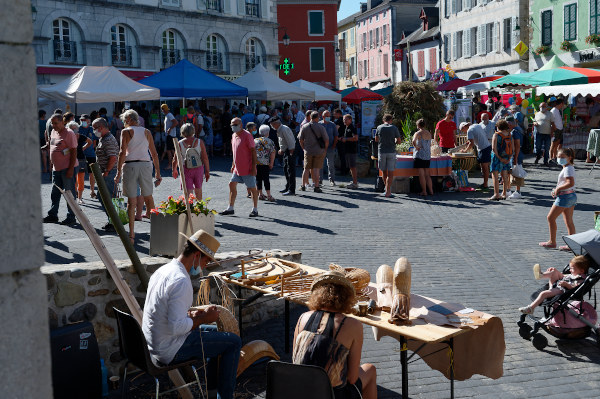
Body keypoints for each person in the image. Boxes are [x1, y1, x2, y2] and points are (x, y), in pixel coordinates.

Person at [142, 229, 242, 399]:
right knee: (233, 342)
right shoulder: (181, 280)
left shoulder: (163, 270)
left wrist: (193, 316)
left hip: (154, 342)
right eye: (206, 261)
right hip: (169, 348)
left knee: (217, 334)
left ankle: (211, 393)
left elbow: (167, 312)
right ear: (197, 255)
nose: (204, 266)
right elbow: (176, 327)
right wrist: (204, 318)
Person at [293, 271, 377, 399]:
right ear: (347, 298)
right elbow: (352, 378)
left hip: (301, 391)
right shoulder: (353, 325)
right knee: (370, 369)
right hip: (332, 395)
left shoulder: (302, 318)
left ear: (317, 295)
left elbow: (295, 362)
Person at [115, 110, 162, 241]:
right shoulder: (146, 131)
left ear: (129, 119)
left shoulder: (126, 132)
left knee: (131, 202)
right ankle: (157, 232)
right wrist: (158, 172)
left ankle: (131, 234)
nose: (124, 123)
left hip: (130, 165)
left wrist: (118, 171)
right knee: (149, 198)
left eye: (124, 120)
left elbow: (122, 153)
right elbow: (154, 153)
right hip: (146, 165)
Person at [519, 256, 589, 315]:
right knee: (554, 270)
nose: (570, 270)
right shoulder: (575, 274)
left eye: (572, 268)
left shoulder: (581, 279)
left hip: (561, 290)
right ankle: (541, 275)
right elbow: (566, 276)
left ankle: (531, 308)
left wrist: (567, 285)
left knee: (543, 293)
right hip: (559, 283)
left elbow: (575, 288)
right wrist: (556, 272)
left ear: (582, 271)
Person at [43, 113, 79, 226]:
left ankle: (71, 216)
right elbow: (52, 146)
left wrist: (70, 169)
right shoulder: (53, 131)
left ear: (62, 122)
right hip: (56, 168)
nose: (53, 125)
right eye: (52, 123)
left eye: (56, 123)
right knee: (55, 193)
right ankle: (53, 215)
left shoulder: (69, 133)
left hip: (67, 168)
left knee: (69, 194)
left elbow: (73, 152)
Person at [219, 118, 259, 217]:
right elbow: (235, 152)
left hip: (247, 167)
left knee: (252, 188)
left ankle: (255, 209)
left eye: (235, 125)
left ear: (241, 125)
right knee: (231, 184)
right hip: (237, 168)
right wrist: (233, 164)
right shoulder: (234, 135)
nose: (234, 127)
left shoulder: (247, 135)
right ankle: (230, 207)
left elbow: (253, 151)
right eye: (232, 125)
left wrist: (253, 167)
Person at [539, 148, 577, 249]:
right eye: (558, 157)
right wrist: (557, 190)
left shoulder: (568, 168)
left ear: (570, 157)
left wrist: (558, 188)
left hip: (565, 196)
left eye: (562, 157)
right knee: (569, 221)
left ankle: (552, 241)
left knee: (550, 218)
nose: (559, 159)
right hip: (570, 195)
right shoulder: (568, 167)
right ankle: (571, 244)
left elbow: (570, 182)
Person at [91, 117, 119, 231]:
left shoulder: (108, 140)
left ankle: (116, 223)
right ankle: (113, 221)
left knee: (109, 198)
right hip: (107, 172)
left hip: (109, 173)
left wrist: (107, 171)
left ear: (101, 127)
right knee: (104, 197)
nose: (94, 131)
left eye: (94, 128)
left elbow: (113, 157)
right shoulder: (104, 138)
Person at [173, 123, 210, 200]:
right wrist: (207, 171)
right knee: (198, 188)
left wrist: (174, 170)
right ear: (193, 131)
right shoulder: (200, 142)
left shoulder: (180, 143)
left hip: (185, 168)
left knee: (188, 190)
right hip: (198, 168)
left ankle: (190, 208)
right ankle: (199, 208)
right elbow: (205, 158)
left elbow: (175, 159)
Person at [298, 111, 329, 193]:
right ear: (317, 118)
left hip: (308, 150)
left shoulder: (304, 127)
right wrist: (325, 149)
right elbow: (326, 140)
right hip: (319, 151)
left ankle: (303, 185)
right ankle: (316, 186)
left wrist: (303, 148)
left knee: (306, 169)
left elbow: (300, 139)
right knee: (316, 169)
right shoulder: (321, 127)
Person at [461, 121, 492, 190]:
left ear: (464, 127)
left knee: (484, 167)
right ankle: (485, 184)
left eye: (462, 130)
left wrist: (465, 150)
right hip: (486, 147)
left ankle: (485, 185)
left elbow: (471, 144)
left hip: (483, 148)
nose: (463, 132)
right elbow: (476, 137)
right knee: (484, 167)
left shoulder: (469, 130)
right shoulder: (476, 125)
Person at [376, 114, 401, 197]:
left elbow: (376, 139)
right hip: (391, 151)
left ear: (383, 120)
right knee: (390, 173)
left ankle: (386, 190)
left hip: (382, 151)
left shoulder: (379, 127)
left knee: (383, 171)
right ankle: (388, 191)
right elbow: (399, 141)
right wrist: (393, 142)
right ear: (391, 120)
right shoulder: (394, 128)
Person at [67, 121, 92, 205]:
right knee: (73, 179)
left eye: (75, 128)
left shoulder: (81, 136)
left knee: (81, 179)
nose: (74, 130)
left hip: (81, 159)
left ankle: (80, 197)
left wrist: (83, 148)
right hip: (71, 159)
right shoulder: (68, 137)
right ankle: (74, 196)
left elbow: (90, 142)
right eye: (72, 129)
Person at [489, 119, 514, 201]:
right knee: (505, 176)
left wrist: (499, 158)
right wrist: (509, 158)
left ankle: (496, 194)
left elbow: (493, 148)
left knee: (495, 176)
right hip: (507, 157)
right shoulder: (509, 135)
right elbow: (512, 148)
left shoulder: (496, 135)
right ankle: (504, 193)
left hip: (497, 158)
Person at [412, 119, 433, 197]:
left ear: (418, 125)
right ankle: (431, 191)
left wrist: (416, 147)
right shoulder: (429, 133)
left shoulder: (418, 133)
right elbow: (430, 143)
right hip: (427, 155)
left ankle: (424, 191)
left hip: (420, 155)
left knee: (421, 174)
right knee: (427, 175)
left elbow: (413, 141)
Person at [78, 114, 97, 199]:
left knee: (91, 173)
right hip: (80, 155)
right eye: (81, 120)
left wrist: (87, 148)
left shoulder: (92, 130)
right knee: (79, 174)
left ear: (88, 121)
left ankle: (92, 191)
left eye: (84, 120)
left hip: (90, 154)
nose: (82, 122)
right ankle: (78, 192)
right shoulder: (78, 129)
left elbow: (94, 142)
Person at [255, 125, 276, 201]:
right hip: (265, 163)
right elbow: (273, 153)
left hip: (256, 163)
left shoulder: (255, 140)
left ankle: (260, 194)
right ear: (267, 133)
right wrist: (271, 163)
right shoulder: (270, 141)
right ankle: (269, 195)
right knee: (266, 179)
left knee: (258, 178)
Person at [506, 116, 524, 199]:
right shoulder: (518, 129)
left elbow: (517, 146)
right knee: (512, 171)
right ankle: (509, 189)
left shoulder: (515, 131)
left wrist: (515, 157)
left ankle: (518, 191)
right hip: (516, 154)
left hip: (516, 154)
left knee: (517, 172)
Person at [320, 110, 339, 186]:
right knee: (320, 165)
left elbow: (336, 136)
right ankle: (320, 180)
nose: (328, 117)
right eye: (326, 116)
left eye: (329, 116)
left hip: (330, 147)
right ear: (323, 116)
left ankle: (332, 180)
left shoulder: (332, 125)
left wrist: (334, 146)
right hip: (321, 147)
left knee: (330, 165)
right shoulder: (319, 124)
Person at [341, 114, 359, 189]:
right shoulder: (346, 127)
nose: (344, 121)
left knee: (352, 167)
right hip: (348, 150)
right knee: (351, 167)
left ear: (350, 120)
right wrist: (342, 138)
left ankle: (355, 183)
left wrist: (346, 139)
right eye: (343, 119)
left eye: (345, 119)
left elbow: (356, 138)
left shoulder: (352, 127)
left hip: (352, 150)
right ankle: (354, 181)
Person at [161, 104, 179, 170]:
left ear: (164, 109)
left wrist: (170, 129)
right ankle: (176, 163)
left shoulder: (169, 115)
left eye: (162, 109)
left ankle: (170, 165)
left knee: (169, 151)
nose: (162, 111)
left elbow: (176, 122)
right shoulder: (168, 115)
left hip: (170, 135)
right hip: (170, 135)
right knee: (172, 150)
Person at [549, 98, 565, 164]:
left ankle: (554, 157)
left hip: (559, 129)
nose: (563, 105)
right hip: (556, 129)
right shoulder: (553, 110)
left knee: (556, 145)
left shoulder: (557, 110)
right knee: (553, 144)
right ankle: (550, 158)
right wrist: (553, 130)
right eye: (562, 104)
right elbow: (551, 121)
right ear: (560, 104)